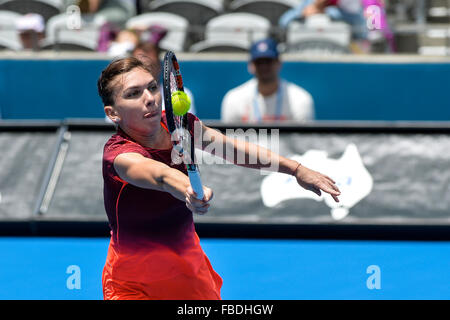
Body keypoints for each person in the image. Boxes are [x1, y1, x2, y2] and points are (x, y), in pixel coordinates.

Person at [98, 56, 341, 299]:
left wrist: (296, 169)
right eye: (133, 94)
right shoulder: (119, 155)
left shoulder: (180, 125)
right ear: (113, 113)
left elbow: (233, 149)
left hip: (188, 273)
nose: (149, 98)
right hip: (132, 283)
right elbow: (161, 176)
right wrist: (188, 189)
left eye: (152, 87)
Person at [221, 38, 314, 123]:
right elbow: (229, 139)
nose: (264, 67)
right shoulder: (233, 98)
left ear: (279, 64)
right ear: (251, 66)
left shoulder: (300, 99)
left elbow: (303, 140)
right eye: (259, 62)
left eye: (268, 61)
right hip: (248, 142)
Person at [132, 40, 197, 115]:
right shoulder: (125, 99)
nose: (144, 71)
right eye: (139, 66)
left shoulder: (180, 95)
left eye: (149, 66)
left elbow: (189, 126)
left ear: (159, 67)